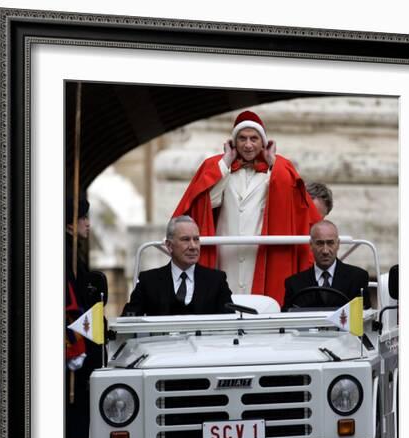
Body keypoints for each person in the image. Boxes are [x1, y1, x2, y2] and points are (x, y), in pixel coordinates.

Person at [172, 110, 321, 306]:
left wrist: (273, 162)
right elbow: (207, 204)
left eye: (254, 138)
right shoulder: (220, 169)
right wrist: (225, 163)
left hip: (260, 254)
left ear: (263, 141)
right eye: (242, 138)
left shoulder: (275, 171)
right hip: (226, 252)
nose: (248, 145)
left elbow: (289, 204)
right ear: (234, 141)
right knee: (225, 301)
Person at [65, 197, 108, 438]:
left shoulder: (70, 249)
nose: (88, 224)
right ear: (70, 222)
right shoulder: (64, 251)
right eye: (83, 218)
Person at [122, 216, 233, 316]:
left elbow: (230, 323)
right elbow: (128, 320)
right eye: (185, 239)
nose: (193, 246)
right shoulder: (148, 281)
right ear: (169, 245)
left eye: (196, 239)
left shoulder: (217, 280)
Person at [282, 220, 370, 310]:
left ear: (338, 244)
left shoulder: (358, 278)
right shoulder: (294, 284)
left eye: (330, 243)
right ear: (311, 245)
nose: (325, 251)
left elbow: (365, 318)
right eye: (319, 243)